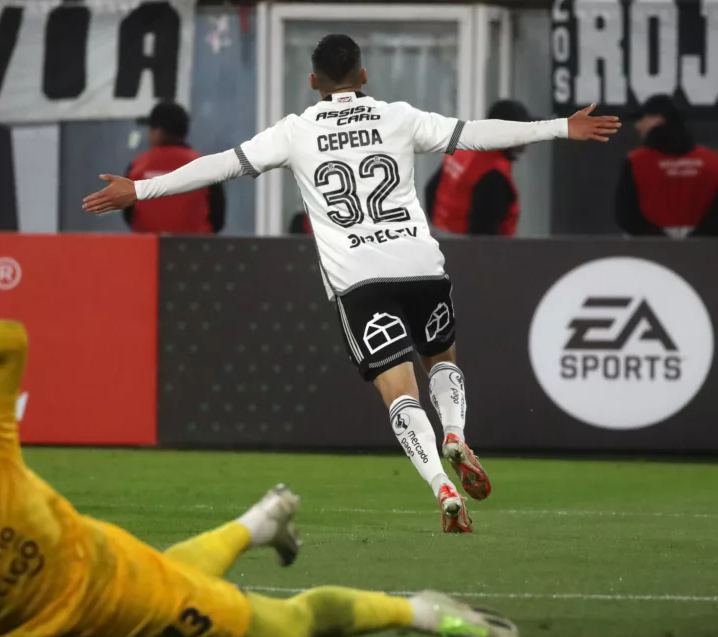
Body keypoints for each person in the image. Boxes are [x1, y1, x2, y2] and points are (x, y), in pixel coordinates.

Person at [83, 34, 620, 533]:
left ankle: (440, 489)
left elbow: (222, 166)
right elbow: (475, 134)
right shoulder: (399, 117)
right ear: (364, 73)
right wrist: (558, 127)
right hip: (420, 267)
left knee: (397, 389)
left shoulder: (294, 131)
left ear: (312, 81)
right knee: (444, 359)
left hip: (359, 281)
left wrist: (141, 190)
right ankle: (455, 432)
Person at [0, 314, 519, 637]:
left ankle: (422, 610)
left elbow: (11, 340)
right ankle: (260, 523)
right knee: (170, 566)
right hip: (96, 576)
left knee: (285, 627)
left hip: (129, 597)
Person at [424, 100, 535, 238]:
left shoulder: (463, 150)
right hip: (470, 252)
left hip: (440, 239)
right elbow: (484, 234)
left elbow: (431, 190)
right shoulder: (494, 174)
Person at [615, 94, 718, 239]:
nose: (637, 126)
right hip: (706, 253)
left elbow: (626, 215)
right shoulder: (712, 162)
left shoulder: (636, 162)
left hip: (645, 252)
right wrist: (696, 240)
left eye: (642, 119)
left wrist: (662, 243)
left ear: (658, 119)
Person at [123, 102, 225, 235]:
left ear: (158, 132)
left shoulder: (137, 168)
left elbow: (128, 214)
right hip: (196, 251)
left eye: (150, 129)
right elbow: (217, 219)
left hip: (148, 251)